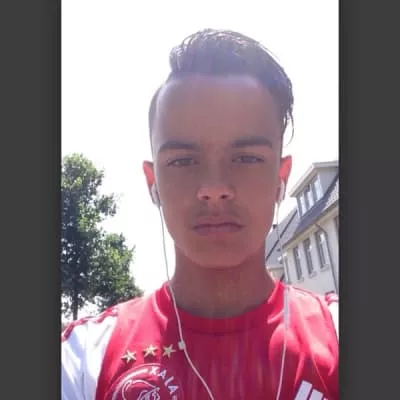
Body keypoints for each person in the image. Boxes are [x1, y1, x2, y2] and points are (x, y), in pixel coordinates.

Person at [62, 29, 338, 400]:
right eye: (183, 161)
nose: (214, 187)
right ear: (153, 182)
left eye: (246, 158)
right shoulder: (81, 361)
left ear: (281, 177)